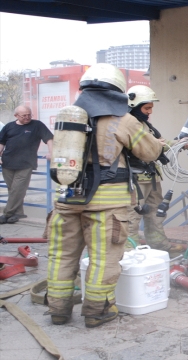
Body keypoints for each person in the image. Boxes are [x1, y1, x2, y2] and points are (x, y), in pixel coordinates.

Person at [46, 64, 164, 328]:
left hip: (66, 199)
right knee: (104, 260)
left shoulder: (69, 116)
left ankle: (58, 309)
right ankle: (97, 311)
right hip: (106, 205)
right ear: (118, 90)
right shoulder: (123, 119)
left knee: (61, 257)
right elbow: (150, 152)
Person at [123, 85, 183, 255]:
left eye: (151, 108)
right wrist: (158, 145)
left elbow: (159, 144)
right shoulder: (127, 124)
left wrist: (179, 143)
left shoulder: (144, 125)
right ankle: (131, 253)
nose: (150, 111)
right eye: (147, 108)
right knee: (132, 218)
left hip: (152, 177)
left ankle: (160, 247)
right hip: (135, 180)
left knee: (155, 214)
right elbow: (146, 147)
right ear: (134, 105)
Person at [0, 105, 53, 224]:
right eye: (24, 115)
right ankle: (19, 213)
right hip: (8, 163)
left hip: (26, 163)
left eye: (29, 114)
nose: (27, 117)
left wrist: (51, 152)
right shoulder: (9, 127)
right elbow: (1, 142)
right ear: (16, 116)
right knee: (13, 190)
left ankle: (7, 214)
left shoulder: (37, 125)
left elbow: (49, 139)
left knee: (17, 189)